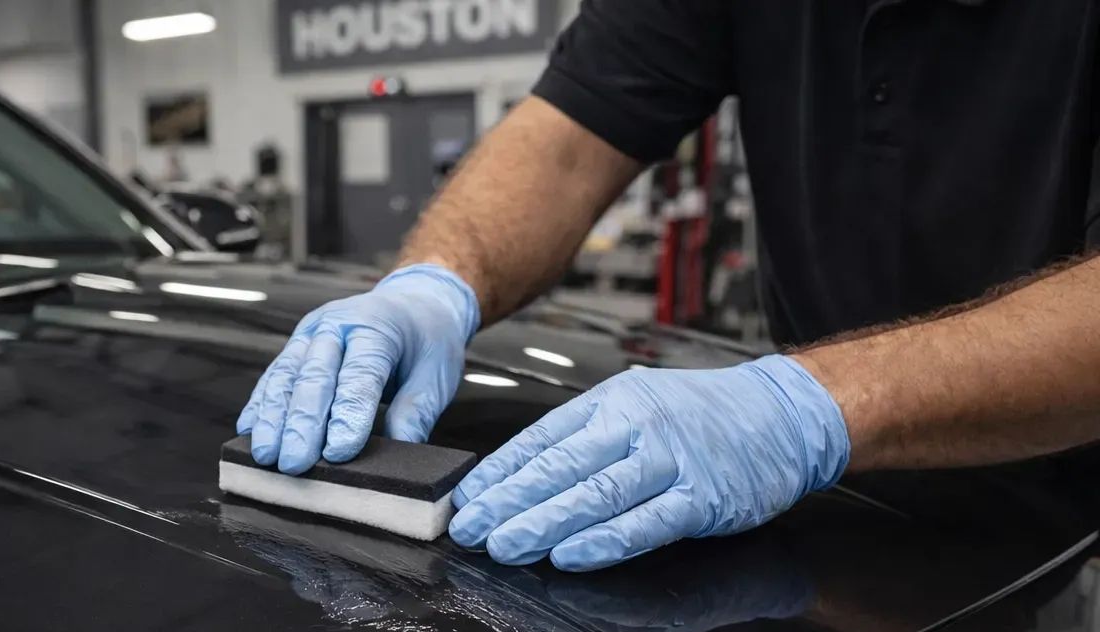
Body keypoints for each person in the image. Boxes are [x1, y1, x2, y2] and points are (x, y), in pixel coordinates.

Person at [238, 1, 1100, 572]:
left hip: (1067, 517)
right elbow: (570, 139)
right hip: (828, 524)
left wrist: (811, 409)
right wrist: (432, 285)